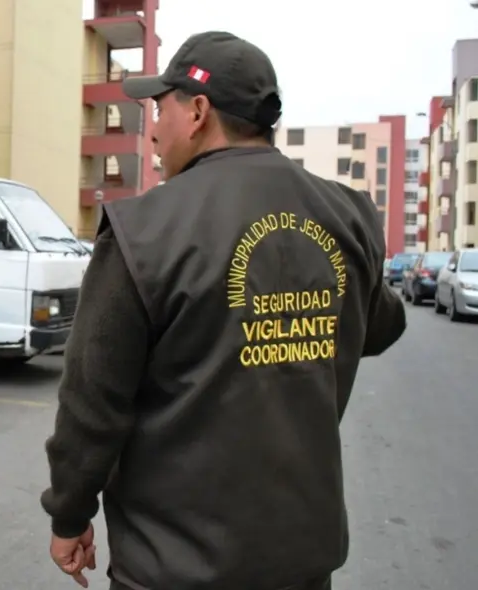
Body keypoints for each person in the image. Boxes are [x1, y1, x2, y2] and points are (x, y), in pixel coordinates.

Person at [40, 31, 406, 590]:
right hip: (300, 562)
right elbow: (381, 326)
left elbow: (92, 401)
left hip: (172, 565)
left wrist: (69, 514)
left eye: (159, 108)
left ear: (197, 112)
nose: (153, 129)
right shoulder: (348, 216)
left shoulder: (146, 231)